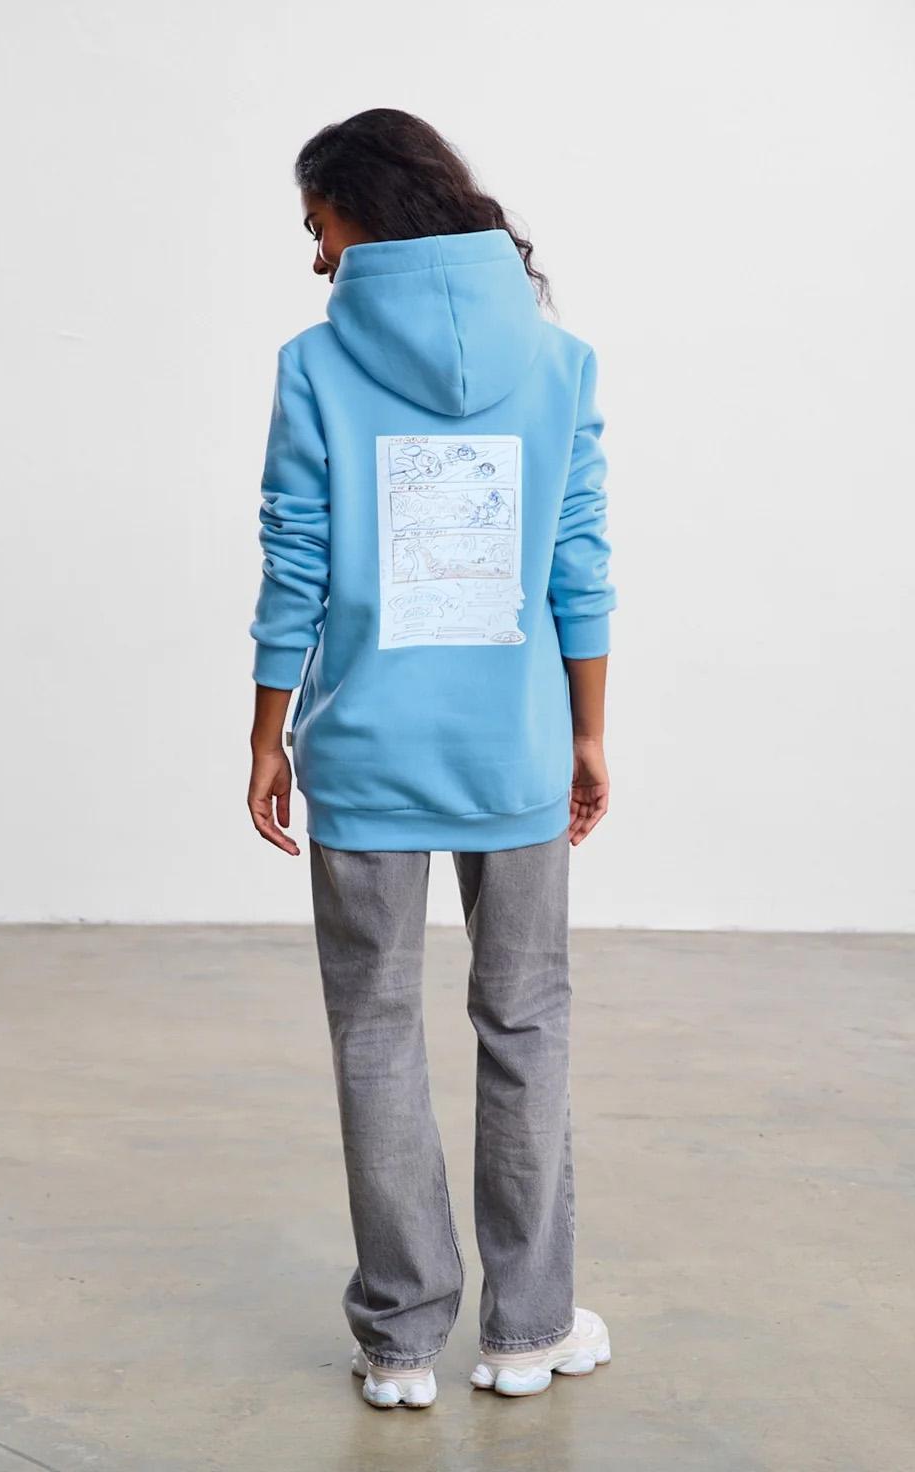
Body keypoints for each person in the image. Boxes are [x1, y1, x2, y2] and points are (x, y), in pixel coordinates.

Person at [247, 108, 616, 1409]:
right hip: (513, 749)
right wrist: (586, 730)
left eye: (318, 225)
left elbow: (295, 557)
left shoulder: (314, 364)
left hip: (363, 750)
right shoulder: (558, 361)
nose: (315, 256)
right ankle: (529, 1329)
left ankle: (400, 1340)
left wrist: (266, 732)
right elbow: (578, 557)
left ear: (366, 209)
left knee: (374, 1028)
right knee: (526, 1022)